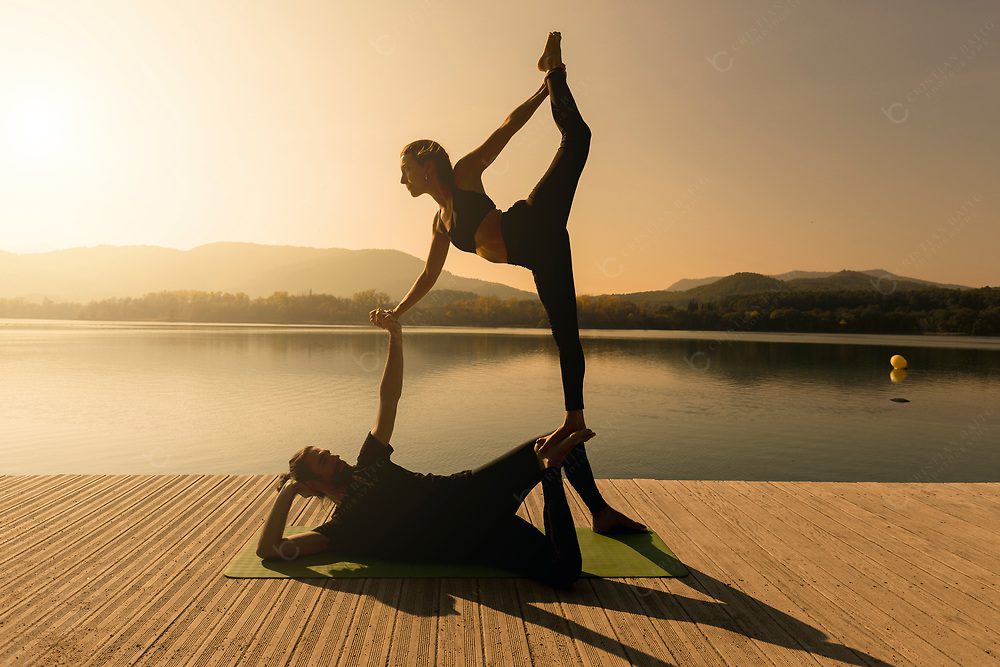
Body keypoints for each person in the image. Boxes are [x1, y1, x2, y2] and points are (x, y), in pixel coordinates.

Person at [383, 32, 645, 534]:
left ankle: (556, 70)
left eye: (405, 171)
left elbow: (505, 130)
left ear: (425, 161)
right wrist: (398, 311)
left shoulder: (461, 175)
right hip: (541, 258)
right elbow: (429, 274)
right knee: (566, 335)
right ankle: (574, 421)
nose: (402, 181)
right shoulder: (439, 224)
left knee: (578, 140)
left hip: (533, 222)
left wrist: (544, 91)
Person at [255, 311, 648, 589]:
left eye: (328, 452)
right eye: (324, 461)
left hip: (474, 492)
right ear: (313, 483)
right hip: (477, 539)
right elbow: (270, 551)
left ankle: (600, 512)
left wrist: (396, 337)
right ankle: (549, 475)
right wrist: (289, 490)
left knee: (559, 438)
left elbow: (388, 398)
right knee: (565, 575)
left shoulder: (367, 464)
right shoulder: (337, 532)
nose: (335, 456)